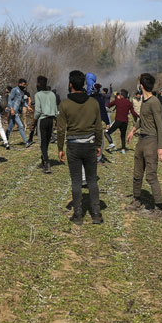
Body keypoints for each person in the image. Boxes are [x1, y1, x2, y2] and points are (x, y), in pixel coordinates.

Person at [57, 70, 103, 225]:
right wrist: (98, 144)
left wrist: (60, 148)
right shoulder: (93, 103)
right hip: (90, 145)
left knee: (76, 181)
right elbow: (98, 127)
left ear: (70, 84)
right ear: (83, 84)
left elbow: (61, 129)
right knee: (92, 180)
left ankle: (78, 215)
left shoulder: (64, 104)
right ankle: (96, 214)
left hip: (73, 146)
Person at [125, 73, 162, 219]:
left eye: (138, 82)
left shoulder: (154, 102)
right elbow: (142, 119)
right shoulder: (143, 100)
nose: (138, 84)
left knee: (151, 176)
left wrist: (160, 147)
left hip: (151, 142)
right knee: (137, 174)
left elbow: (160, 126)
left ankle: (159, 207)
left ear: (141, 85)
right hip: (141, 141)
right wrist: (133, 130)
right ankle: (137, 200)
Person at [34, 75, 58, 174]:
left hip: (42, 120)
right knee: (47, 142)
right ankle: (43, 160)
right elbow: (55, 108)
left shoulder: (38, 95)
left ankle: (47, 163)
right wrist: (57, 120)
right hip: (50, 120)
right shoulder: (52, 94)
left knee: (42, 143)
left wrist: (34, 121)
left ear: (39, 84)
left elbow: (38, 111)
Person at [106, 89, 138, 153]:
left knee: (106, 133)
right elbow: (133, 113)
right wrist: (139, 116)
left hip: (118, 120)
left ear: (122, 95)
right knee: (123, 135)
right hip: (125, 122)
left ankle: (111, 143)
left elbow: (109, 105)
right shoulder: (129, 103)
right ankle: (123, 150)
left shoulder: (117, 101)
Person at [6, 78, 30, 146]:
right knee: (21, 126)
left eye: (25, 85)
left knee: (10, 127)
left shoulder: (22, 92)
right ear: (19, 84)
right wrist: (11, 109)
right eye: (23, 84)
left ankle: (5, 141)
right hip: (13, 111)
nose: (24, 86)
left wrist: (28, 107)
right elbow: (9, 99)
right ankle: (26, 142)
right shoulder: (14, 90)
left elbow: (23, 102)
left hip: (16, 112)